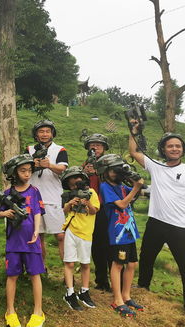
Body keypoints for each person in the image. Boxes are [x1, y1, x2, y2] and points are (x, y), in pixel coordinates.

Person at [129, 128, 185, 319]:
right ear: (163, 149)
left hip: (178, 226)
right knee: (146, 257)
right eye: (170, 146)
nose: (174, 148)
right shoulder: (156, 166)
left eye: (178, 146)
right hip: (155, 222)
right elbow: (134, 152)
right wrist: (133, 131)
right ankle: (143, 286)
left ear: (183, 149)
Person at [0, 154, 45, 327]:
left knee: (35, 275)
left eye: (29, 170)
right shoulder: (7, 193)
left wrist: (36, 232)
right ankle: (10, 310)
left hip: (32, 241)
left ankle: (38, 311)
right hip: (14, 242)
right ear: (14, 172)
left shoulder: (34, 191)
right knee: (12, 276)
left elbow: (38, 212)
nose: (27, 174)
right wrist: (5, 213)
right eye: (23, 170)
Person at [96, 154, 144, 318]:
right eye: (113, 170)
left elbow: (139, 193)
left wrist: (136, 183)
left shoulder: (122, 186)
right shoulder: (105, 186)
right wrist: (136, 188)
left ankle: (126, 296)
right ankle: (117, 299)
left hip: (129, 232)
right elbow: (123, 204)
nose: (117, 173)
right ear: (105, 171)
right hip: (118, 234)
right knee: (117, 264)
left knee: (131, 264)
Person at [27, 119, 68, 262]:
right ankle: (42, 268)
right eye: (41, 131)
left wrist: (49, 165)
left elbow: (63, 169)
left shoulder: (60, 150)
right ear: (36, 134)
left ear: (52, 133)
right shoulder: (29, 149)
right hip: (33, 196)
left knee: (61, 235)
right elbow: (21, 168)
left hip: (54, 196)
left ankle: (67, 272)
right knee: (38, 235)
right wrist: (33, 164)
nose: (44, 134)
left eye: (47, 131)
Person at [60, 166, 100, 311]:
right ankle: (70, 292)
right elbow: (63, 211)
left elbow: (94, 211)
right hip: (71, 230)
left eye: (79, 177)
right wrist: (70, 203)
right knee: (69, 263)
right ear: (68, 181)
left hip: (86, 233)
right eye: (73, 178)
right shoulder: (68, 195)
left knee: (85, 263)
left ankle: (84, 291)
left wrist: (87, 202)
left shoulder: (92, 192)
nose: (77, 180)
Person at [82, 133, 112, 291]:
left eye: (98, 145)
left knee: (109, 244)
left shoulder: (110, 162)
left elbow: (113, 181)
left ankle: (116, 278)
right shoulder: (86, 164)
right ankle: (101, 280)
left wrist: (99, 172)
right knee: (97, 246)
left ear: (104, 148)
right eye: (92, 145)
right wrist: (84, 173)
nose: (95, 147)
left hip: (107, 207)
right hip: (90, 208)